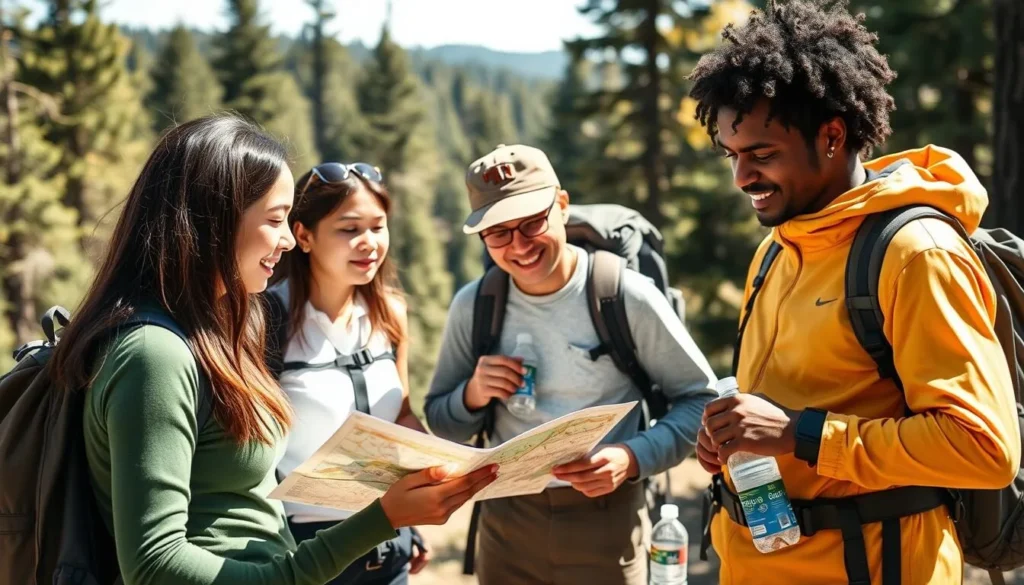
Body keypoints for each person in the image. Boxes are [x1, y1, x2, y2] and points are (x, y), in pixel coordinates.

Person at [50, 113, 497, 585]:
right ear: (214, 223)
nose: (287, 240)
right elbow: (155, 565)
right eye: (275, 220)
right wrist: (379, 520)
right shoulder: (152, 355)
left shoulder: (219, 328)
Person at [686, 1, 1021, 584]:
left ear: (833, 136)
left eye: (762, 155)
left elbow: (984, 449)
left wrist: (800, 436)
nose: (742, 178)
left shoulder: (917, 254)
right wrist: (732, 438)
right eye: (733, 156)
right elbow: (790, 401)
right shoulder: (776, 250)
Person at [424, 143, 718, 585]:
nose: (519, 246)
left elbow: (700, 401)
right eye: (498, 233)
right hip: (505, 523)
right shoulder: (476, 305)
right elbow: (441, 423)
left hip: (610, 520)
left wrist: (631, 457)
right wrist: (471, 395)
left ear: (561, 205)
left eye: (531, 223)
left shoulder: (625, 296)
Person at [265, 161, 431, 585]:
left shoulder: (391, 312)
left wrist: (442, 467)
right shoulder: (265, 320)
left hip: (390, 544)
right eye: (349, 229)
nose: (369, 243)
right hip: (304, 552)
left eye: (378, 227)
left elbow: (401, 418)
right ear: (303, 235)